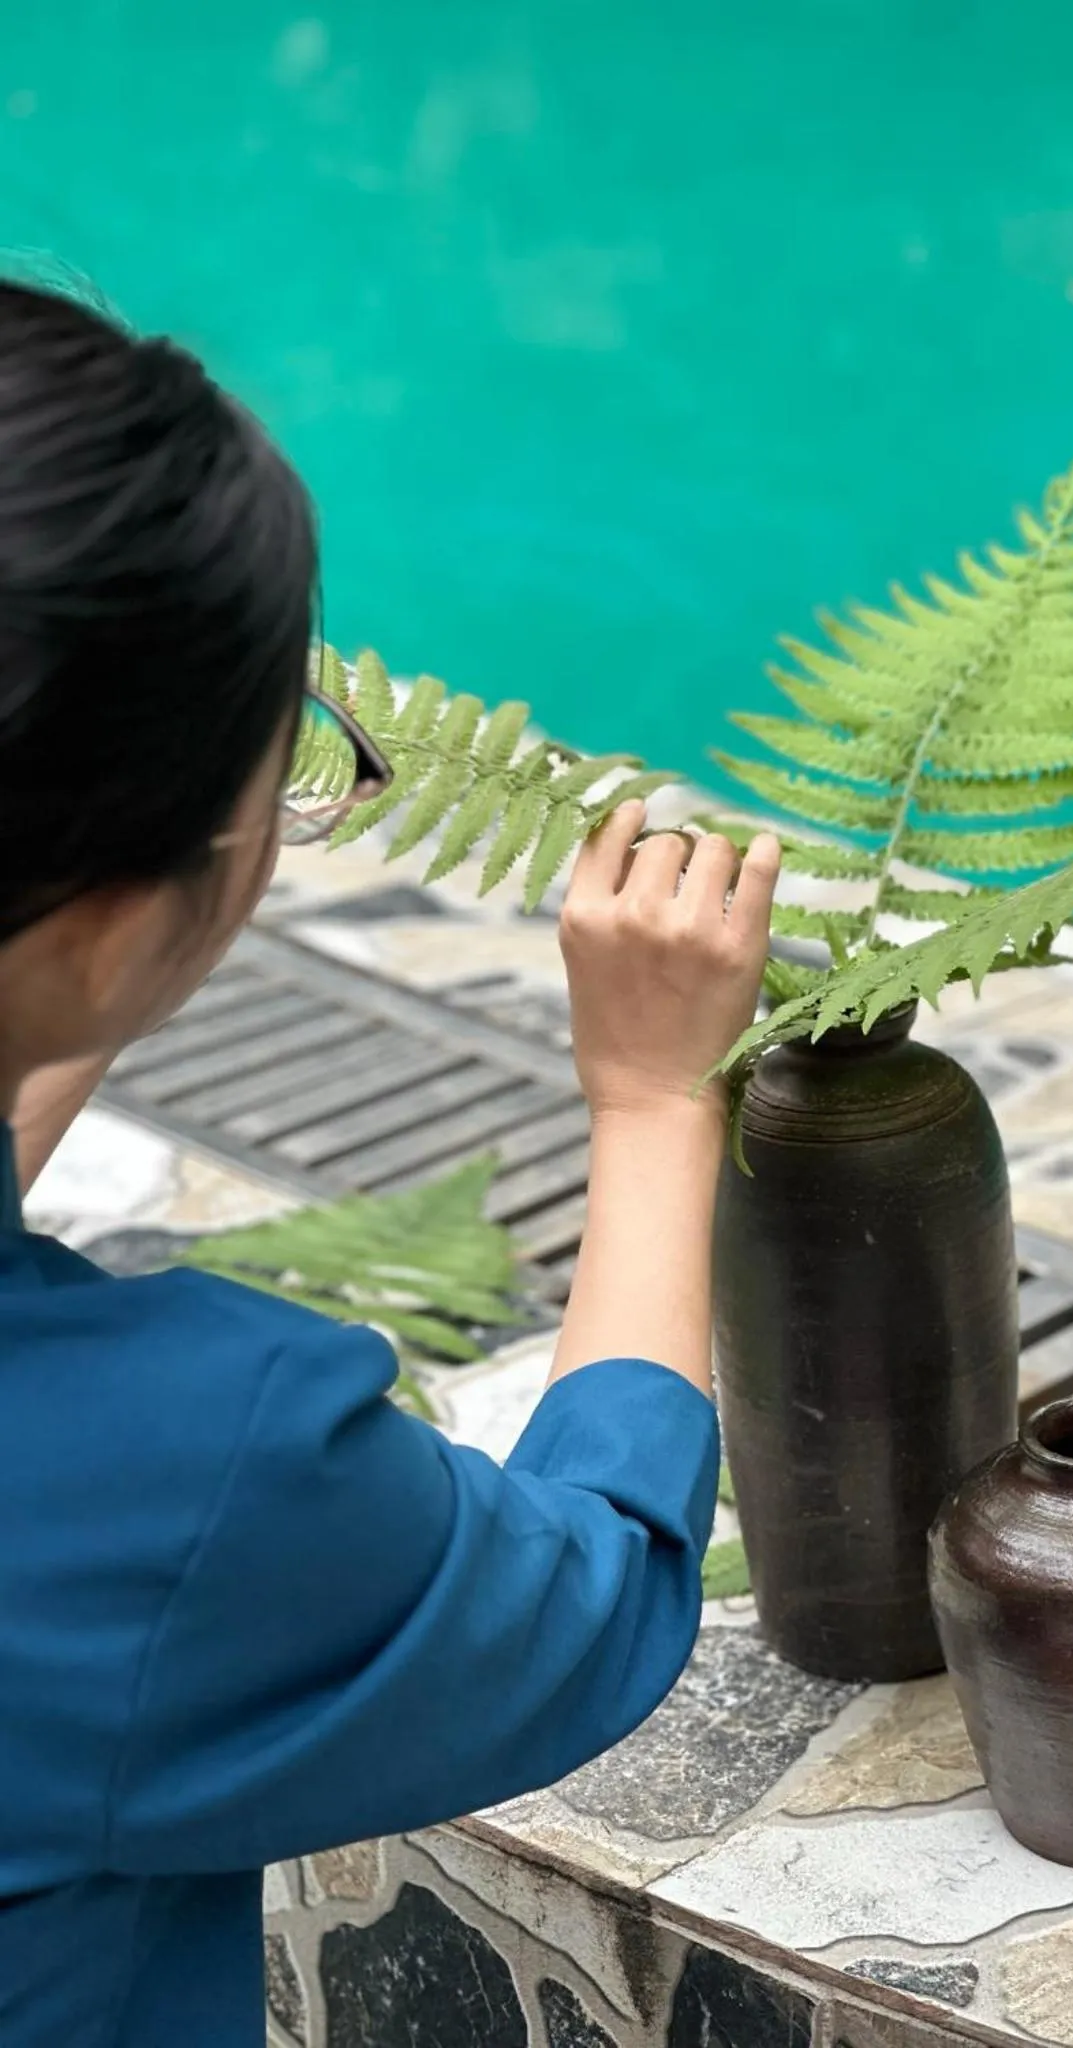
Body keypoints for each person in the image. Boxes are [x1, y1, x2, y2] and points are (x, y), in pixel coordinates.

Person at [0, 277, 780, 2047]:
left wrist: (88, 966)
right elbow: (589, 1594)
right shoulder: (173, 1469)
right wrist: (657, 1102)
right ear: (112, 923)